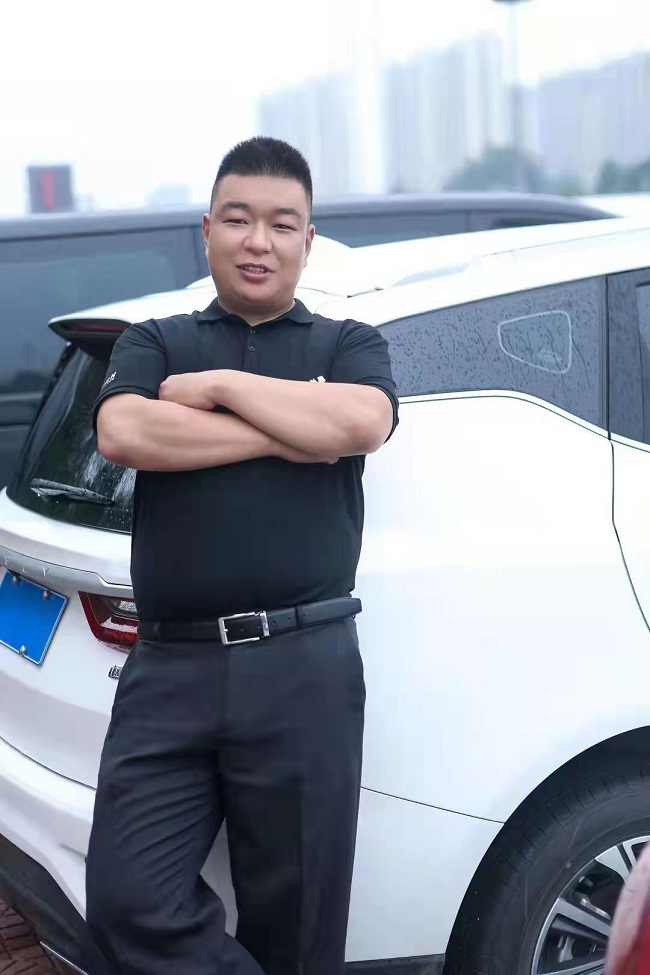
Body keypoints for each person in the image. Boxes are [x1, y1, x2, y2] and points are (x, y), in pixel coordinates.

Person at [85, 136, 399, 975]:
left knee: (299, 932)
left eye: (282, 224)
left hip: (304, 665)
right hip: (170, 668)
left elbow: (361, 422)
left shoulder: (348, 344)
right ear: (207, 230)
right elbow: (125, 431)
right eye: (238, 219)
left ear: (308, 239)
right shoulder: (155, 340)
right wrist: (293, 430)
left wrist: (221, 390)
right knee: (127, 900)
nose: (259, 240)